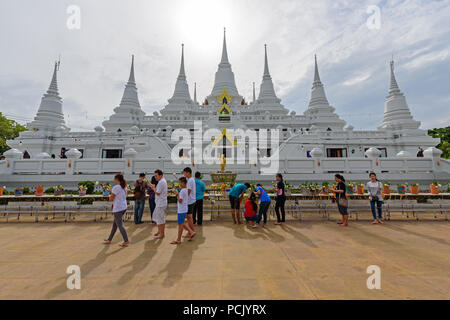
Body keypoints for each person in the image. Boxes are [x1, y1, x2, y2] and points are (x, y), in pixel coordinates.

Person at [104, 173, 129, 247]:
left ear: (116, 179)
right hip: (123, 207)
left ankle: (126, 240)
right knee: (115, 225)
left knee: (120, 225)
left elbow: (111, 199)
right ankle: (109, 239)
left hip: (118, 208)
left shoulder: (116, 187)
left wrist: (109, 195)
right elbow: (120, 194)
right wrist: (111, 191)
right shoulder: (124, 187)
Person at [171, 177, 195, 244]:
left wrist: (176, 194)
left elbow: (180, 200)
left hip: (182, 209)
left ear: (182, 183)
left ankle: (179, 239)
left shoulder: (182, 191)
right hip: (183, 209)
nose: (179, 184)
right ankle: (191, 231)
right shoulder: (185, 190)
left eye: (179, 182)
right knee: (181, 223)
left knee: (180, 224)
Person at [150, 169, 167, 239]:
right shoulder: (162, 181)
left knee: (160, 219)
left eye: (156, 176)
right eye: (155, 176)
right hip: (160, 203)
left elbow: (158, 192)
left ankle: (161, 233)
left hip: (160, 203)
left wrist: (153, 188)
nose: (155, 177)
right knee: (158, 218)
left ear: (161, 175)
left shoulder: (161, 182)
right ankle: (160, 231)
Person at [183, 167, 197, 238]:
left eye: (184, 173)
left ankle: (191, 231)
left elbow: (188, 191)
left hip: (190, 201)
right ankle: (191, 231)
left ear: (188, 173)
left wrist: (183, 198)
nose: (184, 174)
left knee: (189, 217)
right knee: (189, 217)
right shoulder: (190, 180)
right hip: (192, 200)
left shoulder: (190, 180)